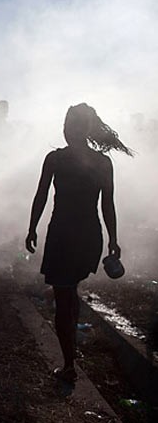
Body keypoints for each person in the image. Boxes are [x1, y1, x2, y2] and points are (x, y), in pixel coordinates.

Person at [25, 103, 133, 383]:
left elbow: (42, 197)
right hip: (87, 235)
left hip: (65, 235)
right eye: (68, 124)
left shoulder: (57, 159)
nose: (68, 129)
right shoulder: (99, 162)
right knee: (68, 293)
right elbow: (106, 203)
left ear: (80, 128)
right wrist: (112, 239)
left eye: (72, 124)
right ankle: (70, 352)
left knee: (64, 297)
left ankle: (69, 364)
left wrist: (32, 228)